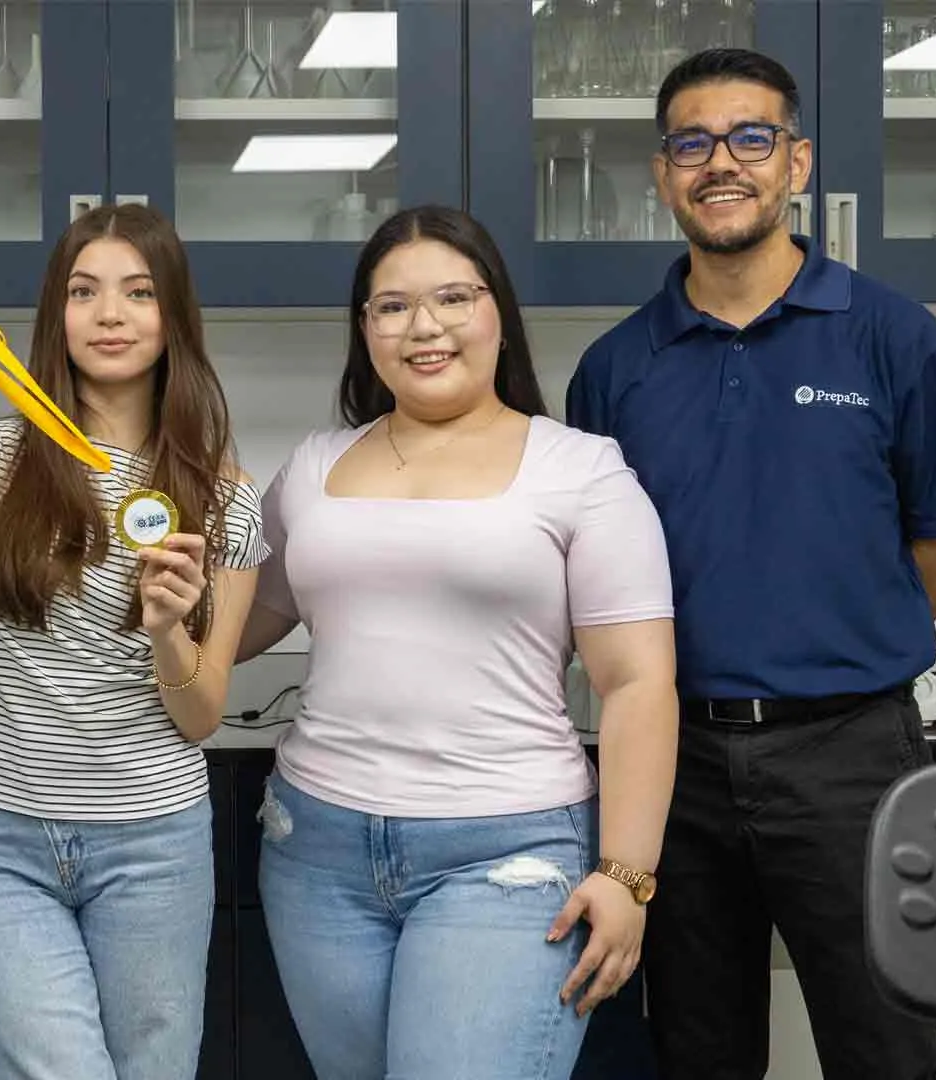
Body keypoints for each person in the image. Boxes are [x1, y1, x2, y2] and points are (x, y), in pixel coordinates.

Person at [565, 48, 936, 1080]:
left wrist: (835, 647)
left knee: (884, 1049)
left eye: (750, 138)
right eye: (692, 143)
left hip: (851, 757)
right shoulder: (616, 370)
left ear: (795, 163)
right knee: (700, 1052)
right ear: (663, 175)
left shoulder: (896, 338)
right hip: (677, 771)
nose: (723, 163)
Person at [236, 205, 680, 1080]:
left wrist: (628, 875)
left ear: (496, 313)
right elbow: (247, 623)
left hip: (507, 856)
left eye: (451, 298)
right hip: (313, 846)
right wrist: (151, 601)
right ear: (364, 330)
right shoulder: (315, 466)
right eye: (391, 306)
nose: (423, 327)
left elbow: (635, 685)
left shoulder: (581, 469)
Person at [0, 202, 268, 1080]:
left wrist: (171, 633)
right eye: (84, 291)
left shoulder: (226, 499)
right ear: (55, 313)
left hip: (152, 842)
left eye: (138, 292)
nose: (110, 315)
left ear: (173, 318)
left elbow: (203, 714)